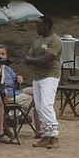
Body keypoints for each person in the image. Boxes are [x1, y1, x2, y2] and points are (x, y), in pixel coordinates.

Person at [21, 15, 62, 149]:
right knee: (38, 107)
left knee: (46, 104)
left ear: (47, 26)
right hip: (37, 76)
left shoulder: (55, 40)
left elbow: (47, 59)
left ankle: (54, 135)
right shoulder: (37, 41)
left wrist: (34, 60)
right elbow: (29, 57)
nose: (37, 28)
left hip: (50, 76)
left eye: (39, 25)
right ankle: (46, 135)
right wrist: (36, 60)